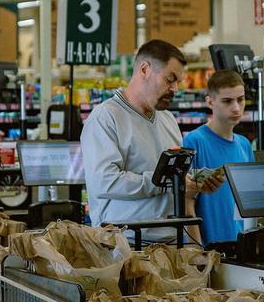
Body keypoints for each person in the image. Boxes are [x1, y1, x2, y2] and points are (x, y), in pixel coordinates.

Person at [81, 39, 222, 242]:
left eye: (178, 82)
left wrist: (193, 181)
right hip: (125, 244)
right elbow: (104, 182)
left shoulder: (168, 119)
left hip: (172, 240)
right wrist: (164, 183)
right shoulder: (105, 118)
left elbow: (170, 173)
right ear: (145, 69)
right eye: (169, 79)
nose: (175, 88)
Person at [182, 70, 254, 247]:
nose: (236, 108)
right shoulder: (194, 141)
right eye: (227, 101)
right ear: (210, 102)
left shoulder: (244, 145)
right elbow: (187, 200)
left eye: (240, 99)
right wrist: (196, 250)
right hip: (210, 248)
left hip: (241, 246)